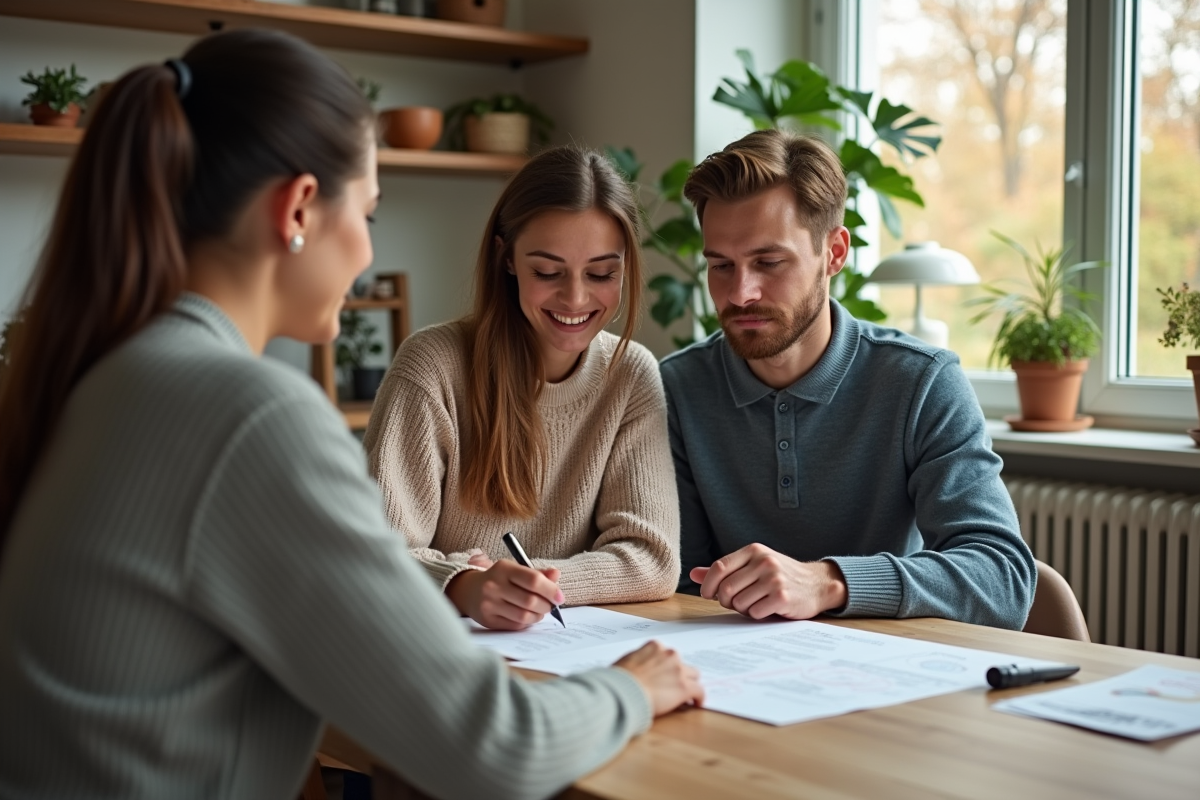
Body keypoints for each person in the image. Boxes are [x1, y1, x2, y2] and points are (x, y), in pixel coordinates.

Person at [0, 30, 702, 800]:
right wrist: (634, 687)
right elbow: (493, 747)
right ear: (299, 207)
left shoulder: (112, 375)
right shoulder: (249, 417)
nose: (368, 254)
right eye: (367, 213)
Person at [660, 129, 1035, 629]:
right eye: (721, 266)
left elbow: (1004, 579)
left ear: (834, 253)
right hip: (734, 674)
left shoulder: (921, 383)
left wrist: (828, 583)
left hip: (892, 671)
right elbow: (677, 582)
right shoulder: (676, 389)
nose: (741, 292)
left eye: (768, 262)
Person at [365, 145, 680, 632]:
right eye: (547, 272)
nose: (575, 298)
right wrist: (462, 585)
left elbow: (652, 558)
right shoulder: (433, 366)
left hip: (564, 650)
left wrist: (534, 584)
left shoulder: (631, 374)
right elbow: (373, 552)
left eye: (602, 273)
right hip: (443, 650)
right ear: (505, 257)